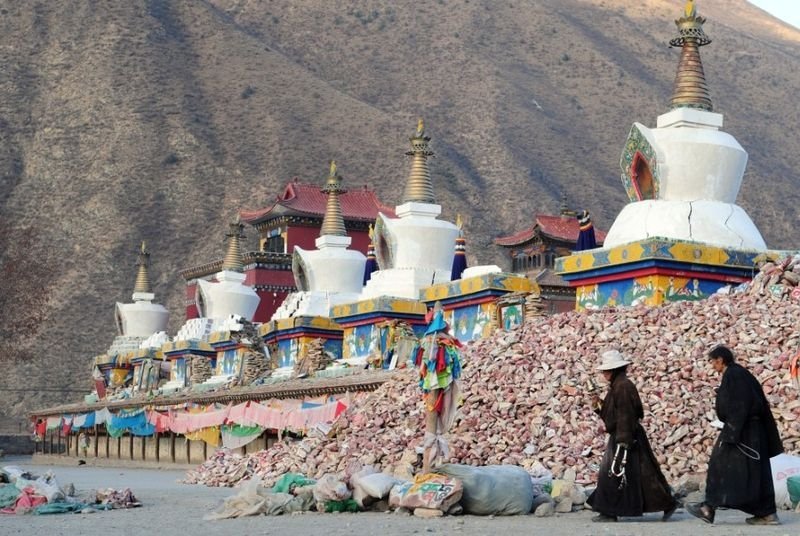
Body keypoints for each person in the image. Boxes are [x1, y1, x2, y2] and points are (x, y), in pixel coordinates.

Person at [686, 345, 783, 526]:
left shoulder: (733, 375)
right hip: (752, 432)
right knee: (756, 473)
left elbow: (739, 405)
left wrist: (731, 434)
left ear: (720, 360)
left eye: (712, 362)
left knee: (719, 464)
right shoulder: (740, 374)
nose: (712, 366)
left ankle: (709, 507)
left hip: (743, 431)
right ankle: (767, 513)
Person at [587, 349, 678, 522]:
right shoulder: (618, 385)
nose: (604, 374)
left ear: (614, 370)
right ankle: (667, 503)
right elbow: (612, 415)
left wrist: (623, 440)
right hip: (626, 434)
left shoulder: (623, 386)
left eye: (606, 370)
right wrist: (598, 406)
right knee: (643, 475)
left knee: (613, 473)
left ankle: (609, 511)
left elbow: (625, 414)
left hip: (626, 435)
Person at [412, 301, 463, 474]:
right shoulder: (431, 344)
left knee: (438, 403)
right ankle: (429, 467)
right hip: (433, 383)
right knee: (433, 403)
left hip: (439, 381)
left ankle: (432, 468)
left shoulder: (443, 345)